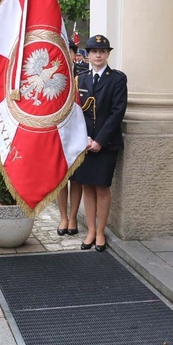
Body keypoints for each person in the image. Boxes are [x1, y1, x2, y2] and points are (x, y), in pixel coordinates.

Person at [72, 35, 127, 252]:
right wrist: (84, 138)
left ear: (108, 54)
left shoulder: (117, 79)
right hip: (85, 143)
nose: (98, 55)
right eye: (94, 51)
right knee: (87, 186)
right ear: (88, 55)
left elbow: (117, 112)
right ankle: (91, 231)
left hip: (107, 143)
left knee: (102, 187)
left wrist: (100, 141)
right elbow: (77, 112)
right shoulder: (82, 79)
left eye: (102, 52)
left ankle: (101, 231)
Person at [56, 39, 86, 235]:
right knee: (59, 179)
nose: (65, 54)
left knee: (76, 179)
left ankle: (73, 217)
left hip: (78, 133)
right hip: (57, 135)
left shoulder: (83, 76)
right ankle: (63, 217)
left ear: (74, 54)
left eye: (69, 51)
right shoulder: (54, 76)